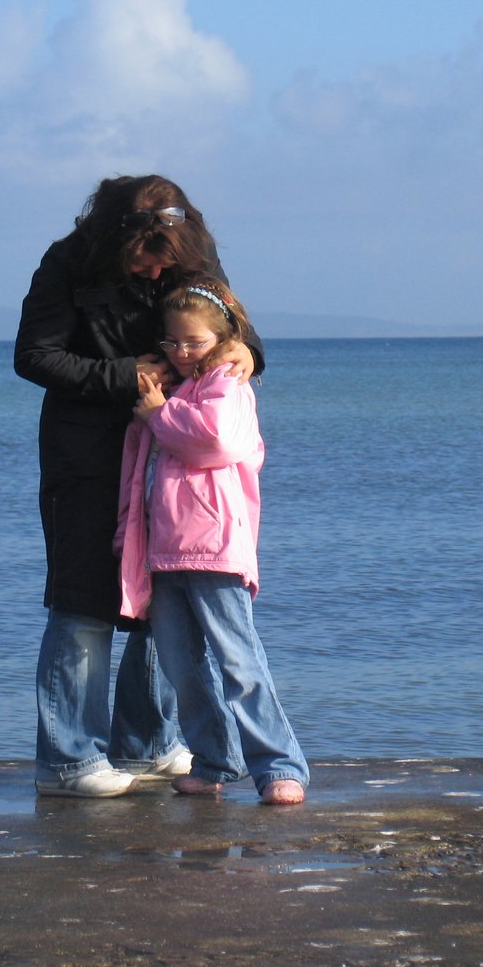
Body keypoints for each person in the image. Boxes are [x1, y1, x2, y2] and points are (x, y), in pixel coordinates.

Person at [15, 176, 263, 798]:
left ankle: (146, 743)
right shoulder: (67, 261)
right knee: (84, 601)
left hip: (169, 457)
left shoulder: (192, 254)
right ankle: (67, 758)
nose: (156, 274)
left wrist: (250, 354)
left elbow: (229, 326)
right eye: (144, 261)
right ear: (114, 241)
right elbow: (34, 356)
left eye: (167, 263)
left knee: (164, 599)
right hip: (88, 454)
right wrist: (125, 374)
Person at [115, 280, 308, 805]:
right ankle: (215, 758)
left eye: (193, 342)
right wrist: (127, 536)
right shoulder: (171, 391)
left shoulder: (229, 385)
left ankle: (280, 766)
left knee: (238, 662)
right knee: (182, 667)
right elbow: (140, 473)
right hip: (165, 550)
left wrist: (158, 415)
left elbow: (215, 442)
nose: (181, 352)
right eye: (173, 342)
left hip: (217, 547)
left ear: (222, 339)